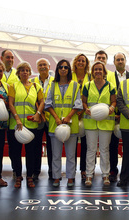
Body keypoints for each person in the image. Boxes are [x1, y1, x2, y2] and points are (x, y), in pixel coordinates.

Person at [45, 59, 82, 187]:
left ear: (69, 70)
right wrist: (56, 118)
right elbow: (48, 104)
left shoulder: (75, 85)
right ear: (57, 70)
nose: (63, 69)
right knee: (56, 154)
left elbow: (78, 104)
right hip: (55, 125)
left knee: (71, 154)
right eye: (61, 67)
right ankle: (56, 177)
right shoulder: (52, 85)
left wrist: (68, 117)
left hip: (71, 125)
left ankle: (70, 177)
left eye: (66, 67)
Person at [8, 61, 44, 188]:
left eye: (27, 70)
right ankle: (18, 176)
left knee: (31, 153)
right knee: (15, 153)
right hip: (15, 125)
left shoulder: (36, 86)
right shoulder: (13, 86)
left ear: (30, 73)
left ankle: (30, 176)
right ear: (18, 73)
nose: (25, 72)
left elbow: (42, 101)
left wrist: (38, 113)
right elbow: (11, 104)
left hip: (31, 125)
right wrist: (17, 118)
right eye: (22, 70)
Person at [82, 61, 116, 187]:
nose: (98, 71)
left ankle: (105, 174)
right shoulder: (87, 85)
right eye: (95, 69)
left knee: (104, 149)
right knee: (90, 149)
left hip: (106, 122)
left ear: (104, 71)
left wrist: (112, 108)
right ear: (92, 71)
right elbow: (84, 102)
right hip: (90, 122)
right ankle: (89, 175)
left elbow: (113, 102)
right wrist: (85, 108)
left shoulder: (110, 86)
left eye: (100, 69)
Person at [106, 52, 129, 182]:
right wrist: (114, 112)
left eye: (122, 59)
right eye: (117, 59)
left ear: (125, 61)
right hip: (113, 115)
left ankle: (128, 171)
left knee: (128, 146)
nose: (120, 61)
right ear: (114, 62)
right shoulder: (109, 76)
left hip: (128, 115)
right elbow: (107, 95)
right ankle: (113, 170)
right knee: (112, 145)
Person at [30, 58, 54, 181]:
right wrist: (39, 112)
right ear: (37, 67)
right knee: (36, 146)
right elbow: (31, 98)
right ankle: (35, 171)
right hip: (37, 118)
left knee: (52, 147)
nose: (42, 67)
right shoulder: (32, 81)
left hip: (51, 118)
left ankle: (52, 171)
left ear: (49, 66)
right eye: (40, 65)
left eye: (45, 64)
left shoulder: (55, 81)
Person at [0, 49, 19, 181]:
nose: (10, 60)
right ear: (2, 58)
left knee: (13, 145)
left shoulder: (17, 75)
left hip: (11, 115)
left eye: (12, 57)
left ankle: (15, 169)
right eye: (7, 57)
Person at [71, 53, 91, 181]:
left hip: (86, 114)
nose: (81, 63)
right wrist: (75, 110)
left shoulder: (90, 77)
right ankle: (71, 170)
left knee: (86, 144)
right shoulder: (70, 75)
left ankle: (84, 169)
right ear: (75, 62)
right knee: (72, 144)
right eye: (78, 60)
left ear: (86, 63)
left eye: (83, 61)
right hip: (72, 113)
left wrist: (83, 109)